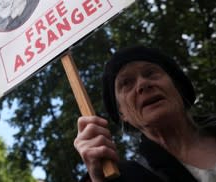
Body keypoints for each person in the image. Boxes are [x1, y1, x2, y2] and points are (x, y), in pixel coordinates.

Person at [74, 45, 216, 181]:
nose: (143, 84)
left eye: (150, 73)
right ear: (122, 113)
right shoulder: (126, 177)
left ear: (177, 86)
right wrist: (97, 178)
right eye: (126, 83)